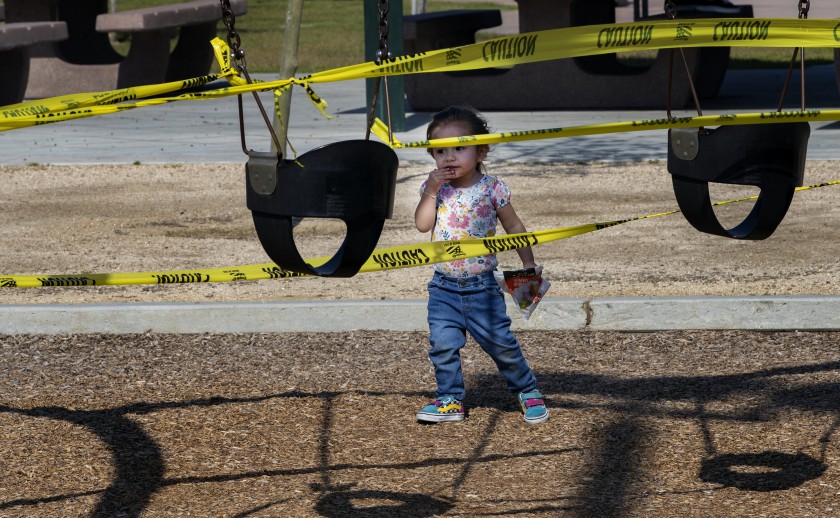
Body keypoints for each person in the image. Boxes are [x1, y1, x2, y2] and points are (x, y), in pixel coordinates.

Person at [414, 106, 548, 425]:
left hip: (482, 287)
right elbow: (422, 226)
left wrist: (527, 263)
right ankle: (450, 399)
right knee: (442, 345)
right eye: (441, 151)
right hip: (443, 286)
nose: (449, 157)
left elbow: (514, 228)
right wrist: (431, 191)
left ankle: (527, 390)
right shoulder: (435, 189)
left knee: (501, 345)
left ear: (480, 150)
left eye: (459, 148)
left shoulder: (492, 188)